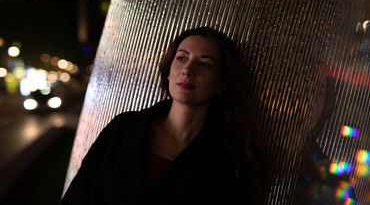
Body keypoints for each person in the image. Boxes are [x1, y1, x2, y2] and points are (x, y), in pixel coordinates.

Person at [61, 27, 255, 205]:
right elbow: (77, 196)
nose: (188, 70)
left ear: (221, 84)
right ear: (169, 71)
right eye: (181, 58)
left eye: (204, 64)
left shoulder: (227, 158)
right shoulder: (123, 128)